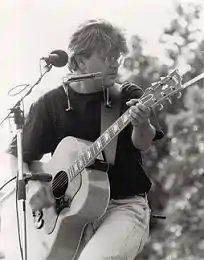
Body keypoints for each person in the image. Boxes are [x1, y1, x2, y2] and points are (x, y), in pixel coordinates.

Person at [7, 19, 164, 260]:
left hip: (124, 208)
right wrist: (35, 185)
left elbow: (142, 142)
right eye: (107, 57)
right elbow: (16, 154)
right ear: (81, 61)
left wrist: (141, 123)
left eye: (117, 57)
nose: (115, 64)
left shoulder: (127, 95)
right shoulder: (51, 104)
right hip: (70, 216)